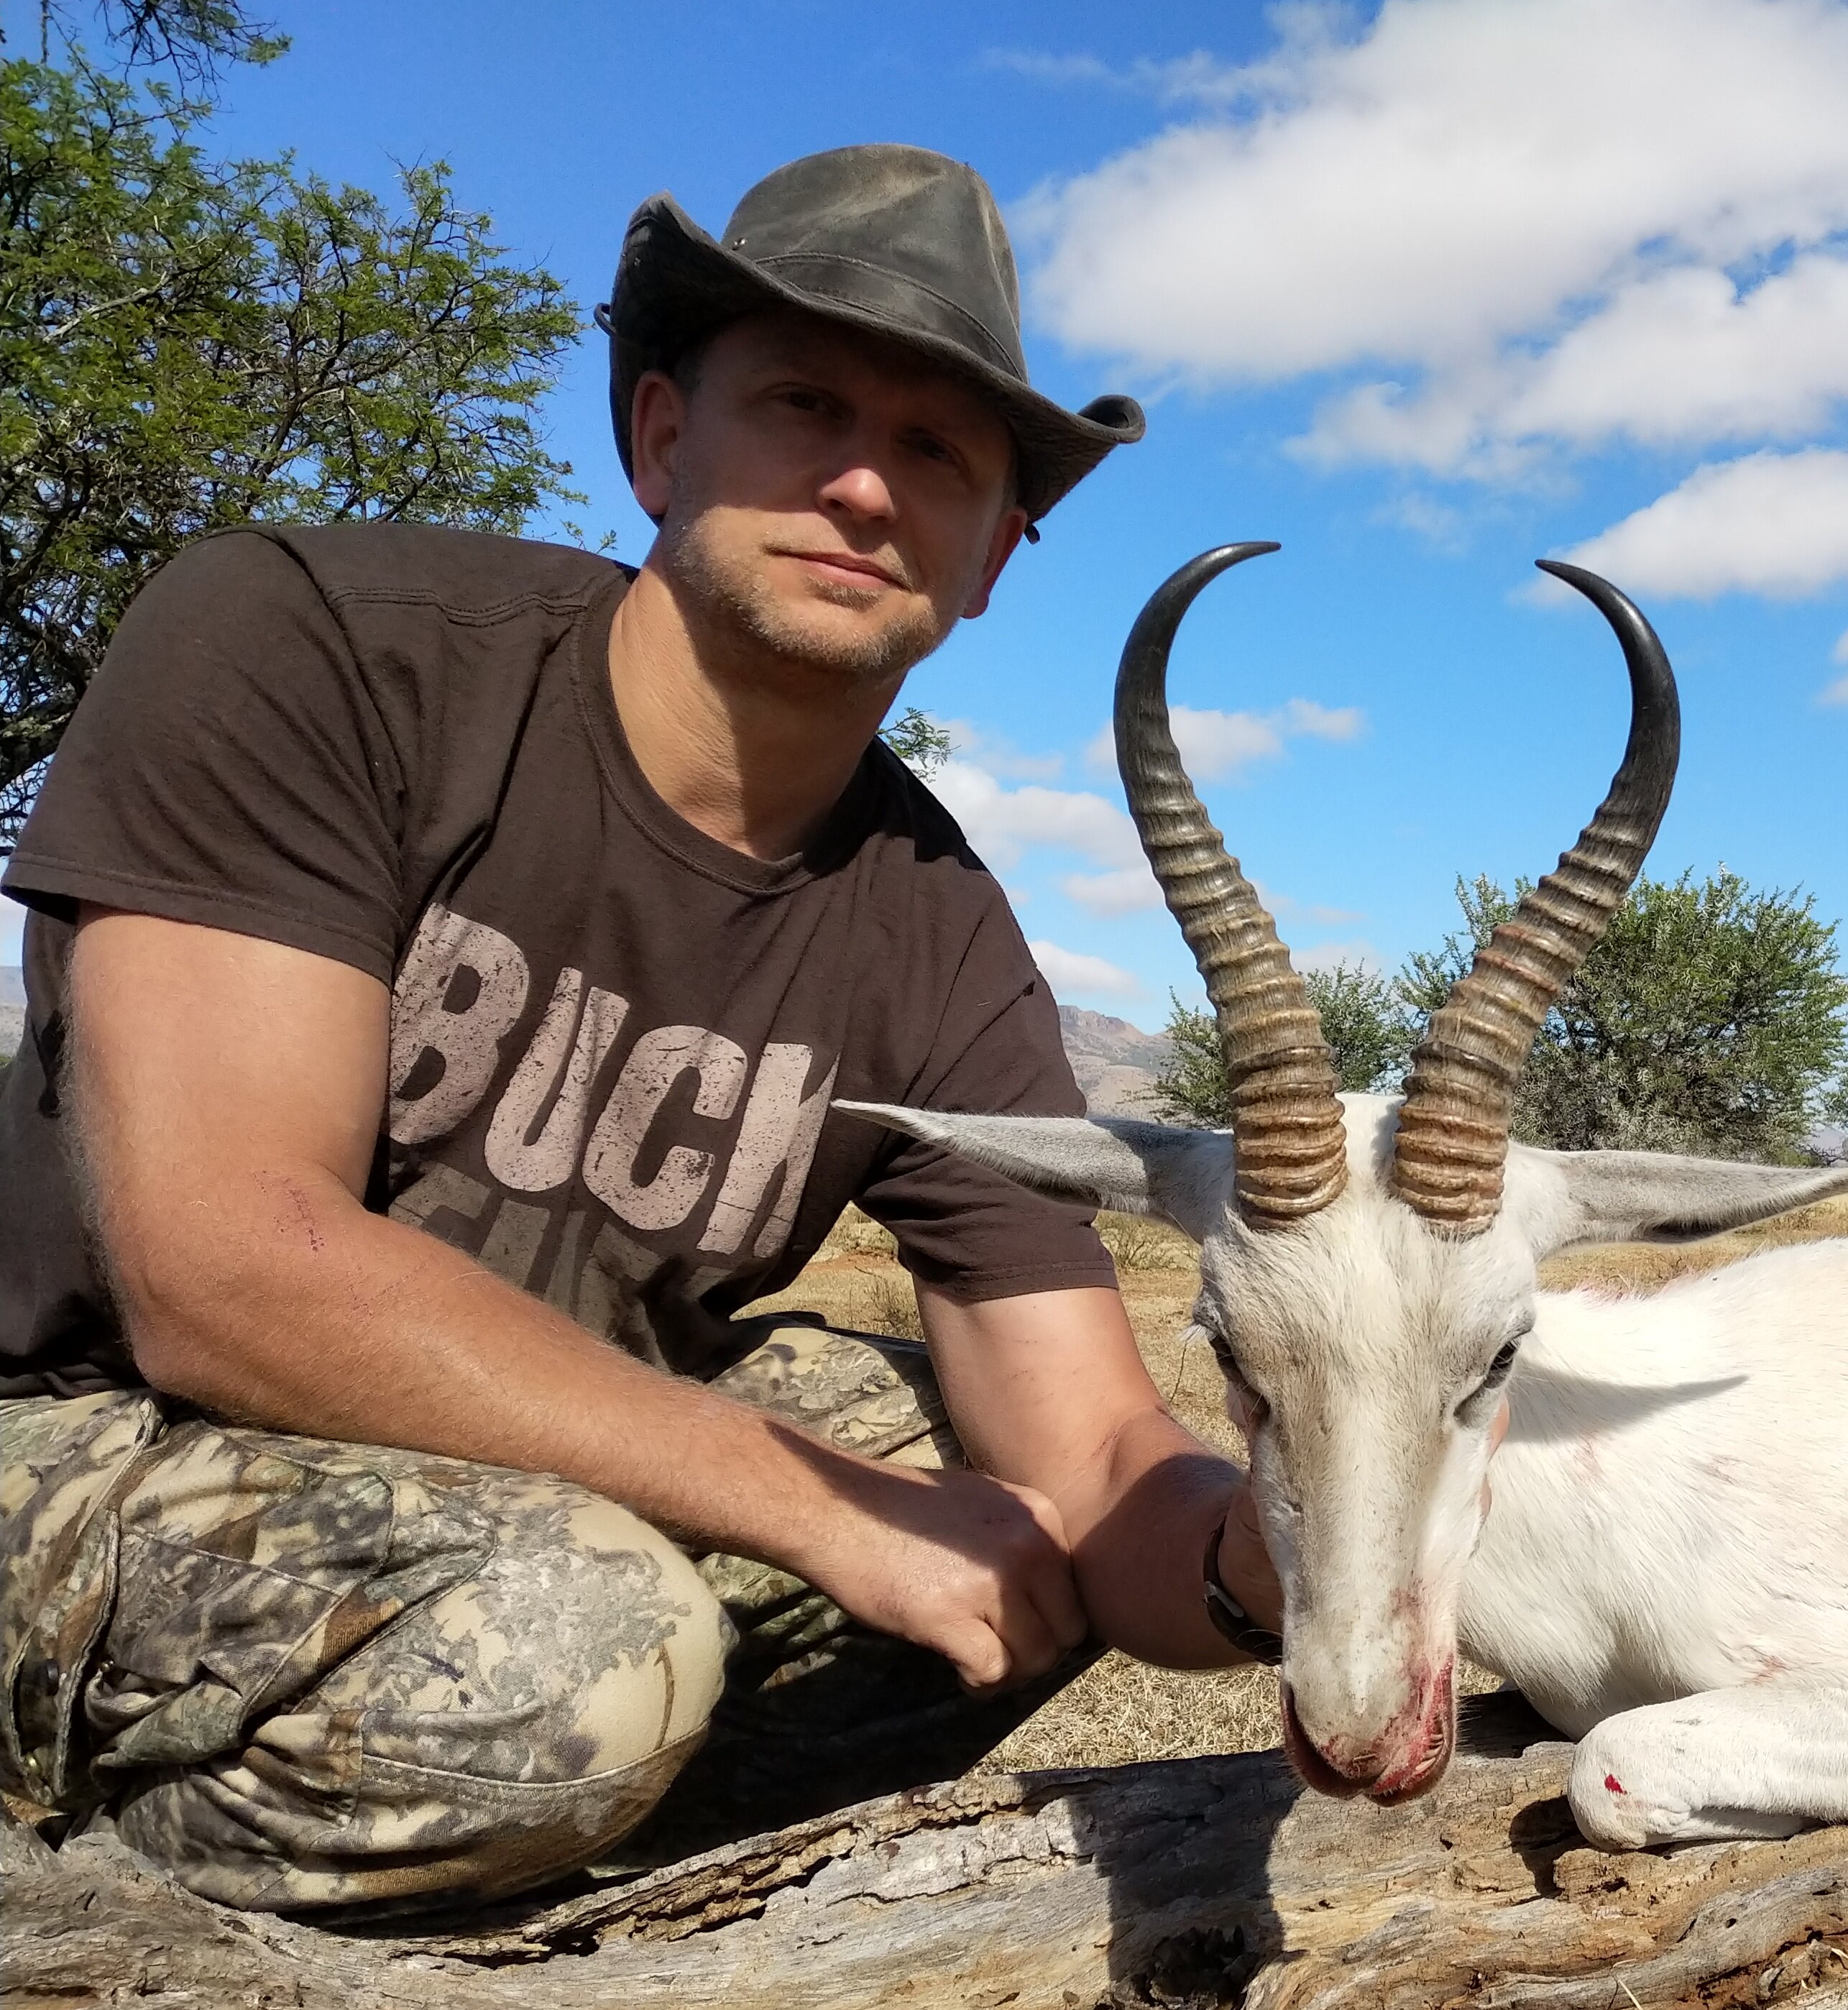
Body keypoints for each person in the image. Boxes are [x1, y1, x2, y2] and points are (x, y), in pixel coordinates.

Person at [0, 144, 1284, 1912]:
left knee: (977, 1501)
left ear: (991, 555)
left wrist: (1296, 1547)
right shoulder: (308, 640)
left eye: (938, 454)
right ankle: (109, 1945)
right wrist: (824, 1513)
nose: (859, 485)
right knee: (587, 1639)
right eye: (806, 406)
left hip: (501, 1477)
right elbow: (229, 1267)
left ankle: (530, 1878)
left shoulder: (938, 923)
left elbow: (1088, 1457)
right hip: (86, 1430)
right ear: (664, 441)